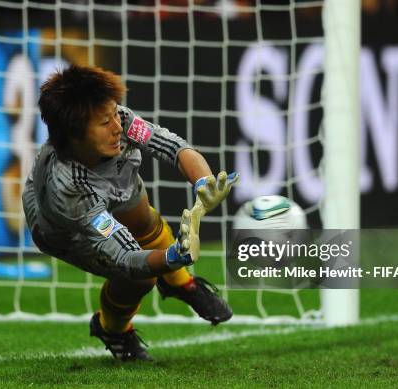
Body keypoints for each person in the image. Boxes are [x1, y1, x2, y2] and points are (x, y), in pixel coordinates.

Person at [22, 65, 239, 361]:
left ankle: (180, 283)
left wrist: (204, 183)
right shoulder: (70, 190)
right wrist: (172, 256)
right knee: (140, 278)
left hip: (106, 180)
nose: (116, 126)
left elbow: (172, 146)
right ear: (75, 135)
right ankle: (112, 329)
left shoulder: (118, 120)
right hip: (62, 230)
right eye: (104, 121)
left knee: (144, 218)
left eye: (114, 114)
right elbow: (125, 257)